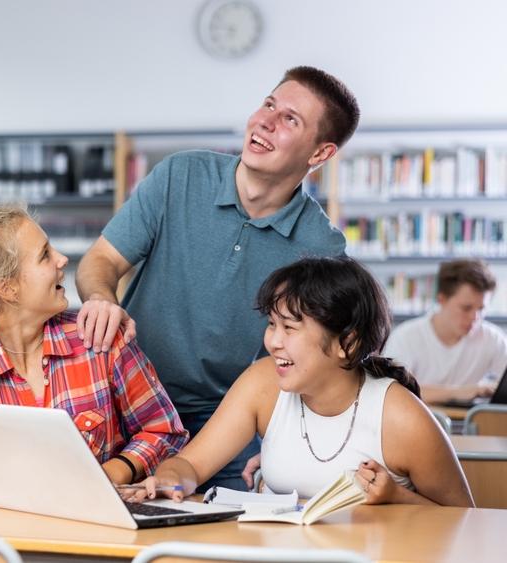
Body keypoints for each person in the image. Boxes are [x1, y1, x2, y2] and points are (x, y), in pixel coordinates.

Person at [75, 66, 355, 490]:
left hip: (228, 424)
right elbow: (100, 261)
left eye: (290, 120)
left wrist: (292, 436)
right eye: (268, 104)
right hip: (126, 398)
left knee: (217, 547)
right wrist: (101, 298)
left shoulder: (324, 250)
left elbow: (327, 362)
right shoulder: (180, 176)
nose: (265, 121)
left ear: (319, 154)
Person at [125, 256, 473, 507]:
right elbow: (190, 465)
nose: (273, 341)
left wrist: (398, 498)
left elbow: (465, 521)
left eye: (289, 328)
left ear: (346, 343)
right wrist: (170, 479)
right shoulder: (263, 384)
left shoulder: (400, 417)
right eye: (272, 324)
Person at [0, 203, 187, 498]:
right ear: (6, 288)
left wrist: (109, 475)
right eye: (44, 255)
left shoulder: (99, 338)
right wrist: (6, 435)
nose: (62, 259)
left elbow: (164, 430)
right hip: (0, 530)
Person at [384, 259, 507, 404]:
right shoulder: (406, 337)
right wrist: (466, 392)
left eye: (481, 309)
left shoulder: (492, 338)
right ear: (442, 300)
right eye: (466, 308)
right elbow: (394, 391)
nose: (475, 318)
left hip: (471, 424)